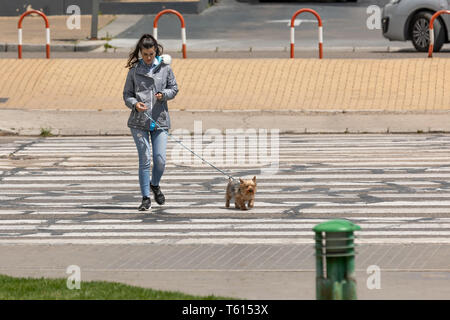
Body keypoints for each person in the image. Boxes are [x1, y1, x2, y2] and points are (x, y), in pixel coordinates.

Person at [123, 34, 178, 211]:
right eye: (145, 54)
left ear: (156, 52)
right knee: (145, 159)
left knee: (160, 160)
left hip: (160, 120)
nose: (148, 57)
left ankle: (155, 184)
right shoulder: (134, 71)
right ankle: (145, 197)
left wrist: (165, 95)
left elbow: (174, 88)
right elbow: (127, 95)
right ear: (140, 52)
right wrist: (134, 104)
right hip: (139, 121)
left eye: (151, 54)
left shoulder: (165, 69)